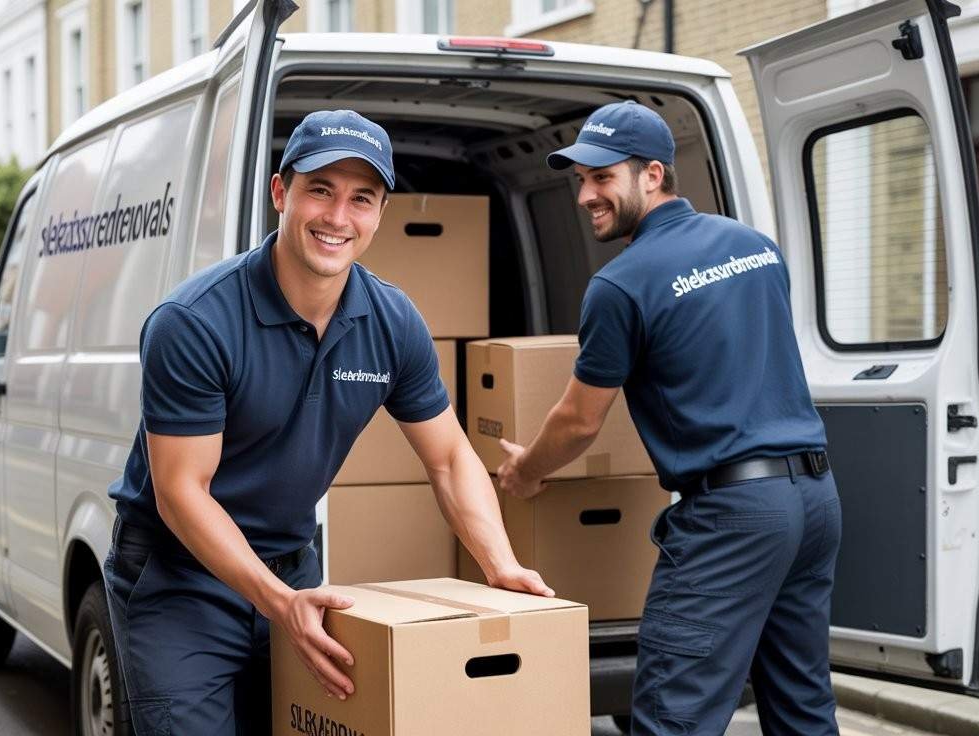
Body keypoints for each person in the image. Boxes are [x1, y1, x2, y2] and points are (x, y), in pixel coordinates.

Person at [104, 109, 551, 736]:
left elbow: (449, 457)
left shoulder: (392, 321)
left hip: (294, 568)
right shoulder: (196, 321)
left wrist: (499, 564)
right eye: (321, 190)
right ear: (281, 192)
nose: (339, 218)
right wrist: (279, 605)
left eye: (361, 198)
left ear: (379, 214)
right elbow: (182, 493)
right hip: (182, 579)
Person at [496, 101, 842, 735]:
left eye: (602, 178)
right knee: (802, 705)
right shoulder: (754, 246)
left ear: (652, 174)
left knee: (672, 714)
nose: (585, 196)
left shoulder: (621, 285)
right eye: (580, 180)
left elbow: (578, 422)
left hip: (733, 516)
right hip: (814, 500)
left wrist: (525, 472)